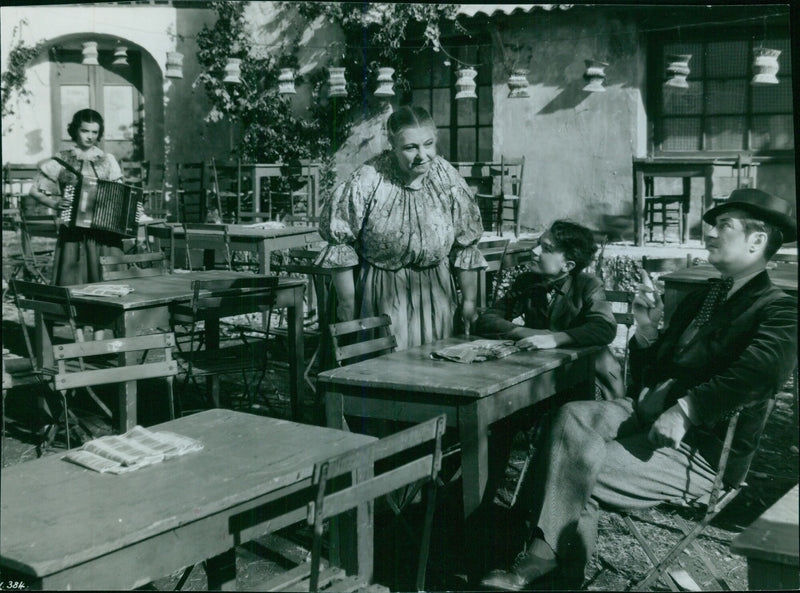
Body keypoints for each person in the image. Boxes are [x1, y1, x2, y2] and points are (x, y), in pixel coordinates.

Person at [480, 188, 798, 591]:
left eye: (724, 226)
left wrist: (686, 410)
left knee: (573, 467)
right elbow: (659, 370)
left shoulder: (778, 309)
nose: (711, 232)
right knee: (569, 416)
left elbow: (761, 375)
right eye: (713, 224)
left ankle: (542, 564)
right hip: (644, 414)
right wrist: (647, 335)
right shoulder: (706, 295)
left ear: (757, 240)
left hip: (702, 452)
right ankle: (550, 564)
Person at [316, 105, 487, 350]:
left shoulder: (446, 177)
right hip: (380, 298)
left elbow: (466, 243)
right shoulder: (368, 179)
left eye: (428, 144)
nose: (422, 155)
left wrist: (469, 301)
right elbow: (340, 245)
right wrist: (348, 308)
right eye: (410, 147)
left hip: (436, 298)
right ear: (392, 145)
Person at [475, 219, 624, 400]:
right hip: (540, 373)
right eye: (538, 244)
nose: (535, 251)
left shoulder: (587, 285)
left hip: (588, 377)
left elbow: (604, 328)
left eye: (546, 249)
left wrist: (556, 338)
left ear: (567, 266)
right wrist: (525, 332)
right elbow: (488, 319)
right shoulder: (527, 281)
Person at [29, 108, 124, 286]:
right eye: (85, 130)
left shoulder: (107, 159)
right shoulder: (62, 159)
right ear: (75, 130)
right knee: (74, 283)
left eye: (94, 132)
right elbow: (34, 191)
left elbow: (119, 193)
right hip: (73, 233)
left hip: (103, 233)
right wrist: (55, 204)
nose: (90, 136)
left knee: (107, 284)